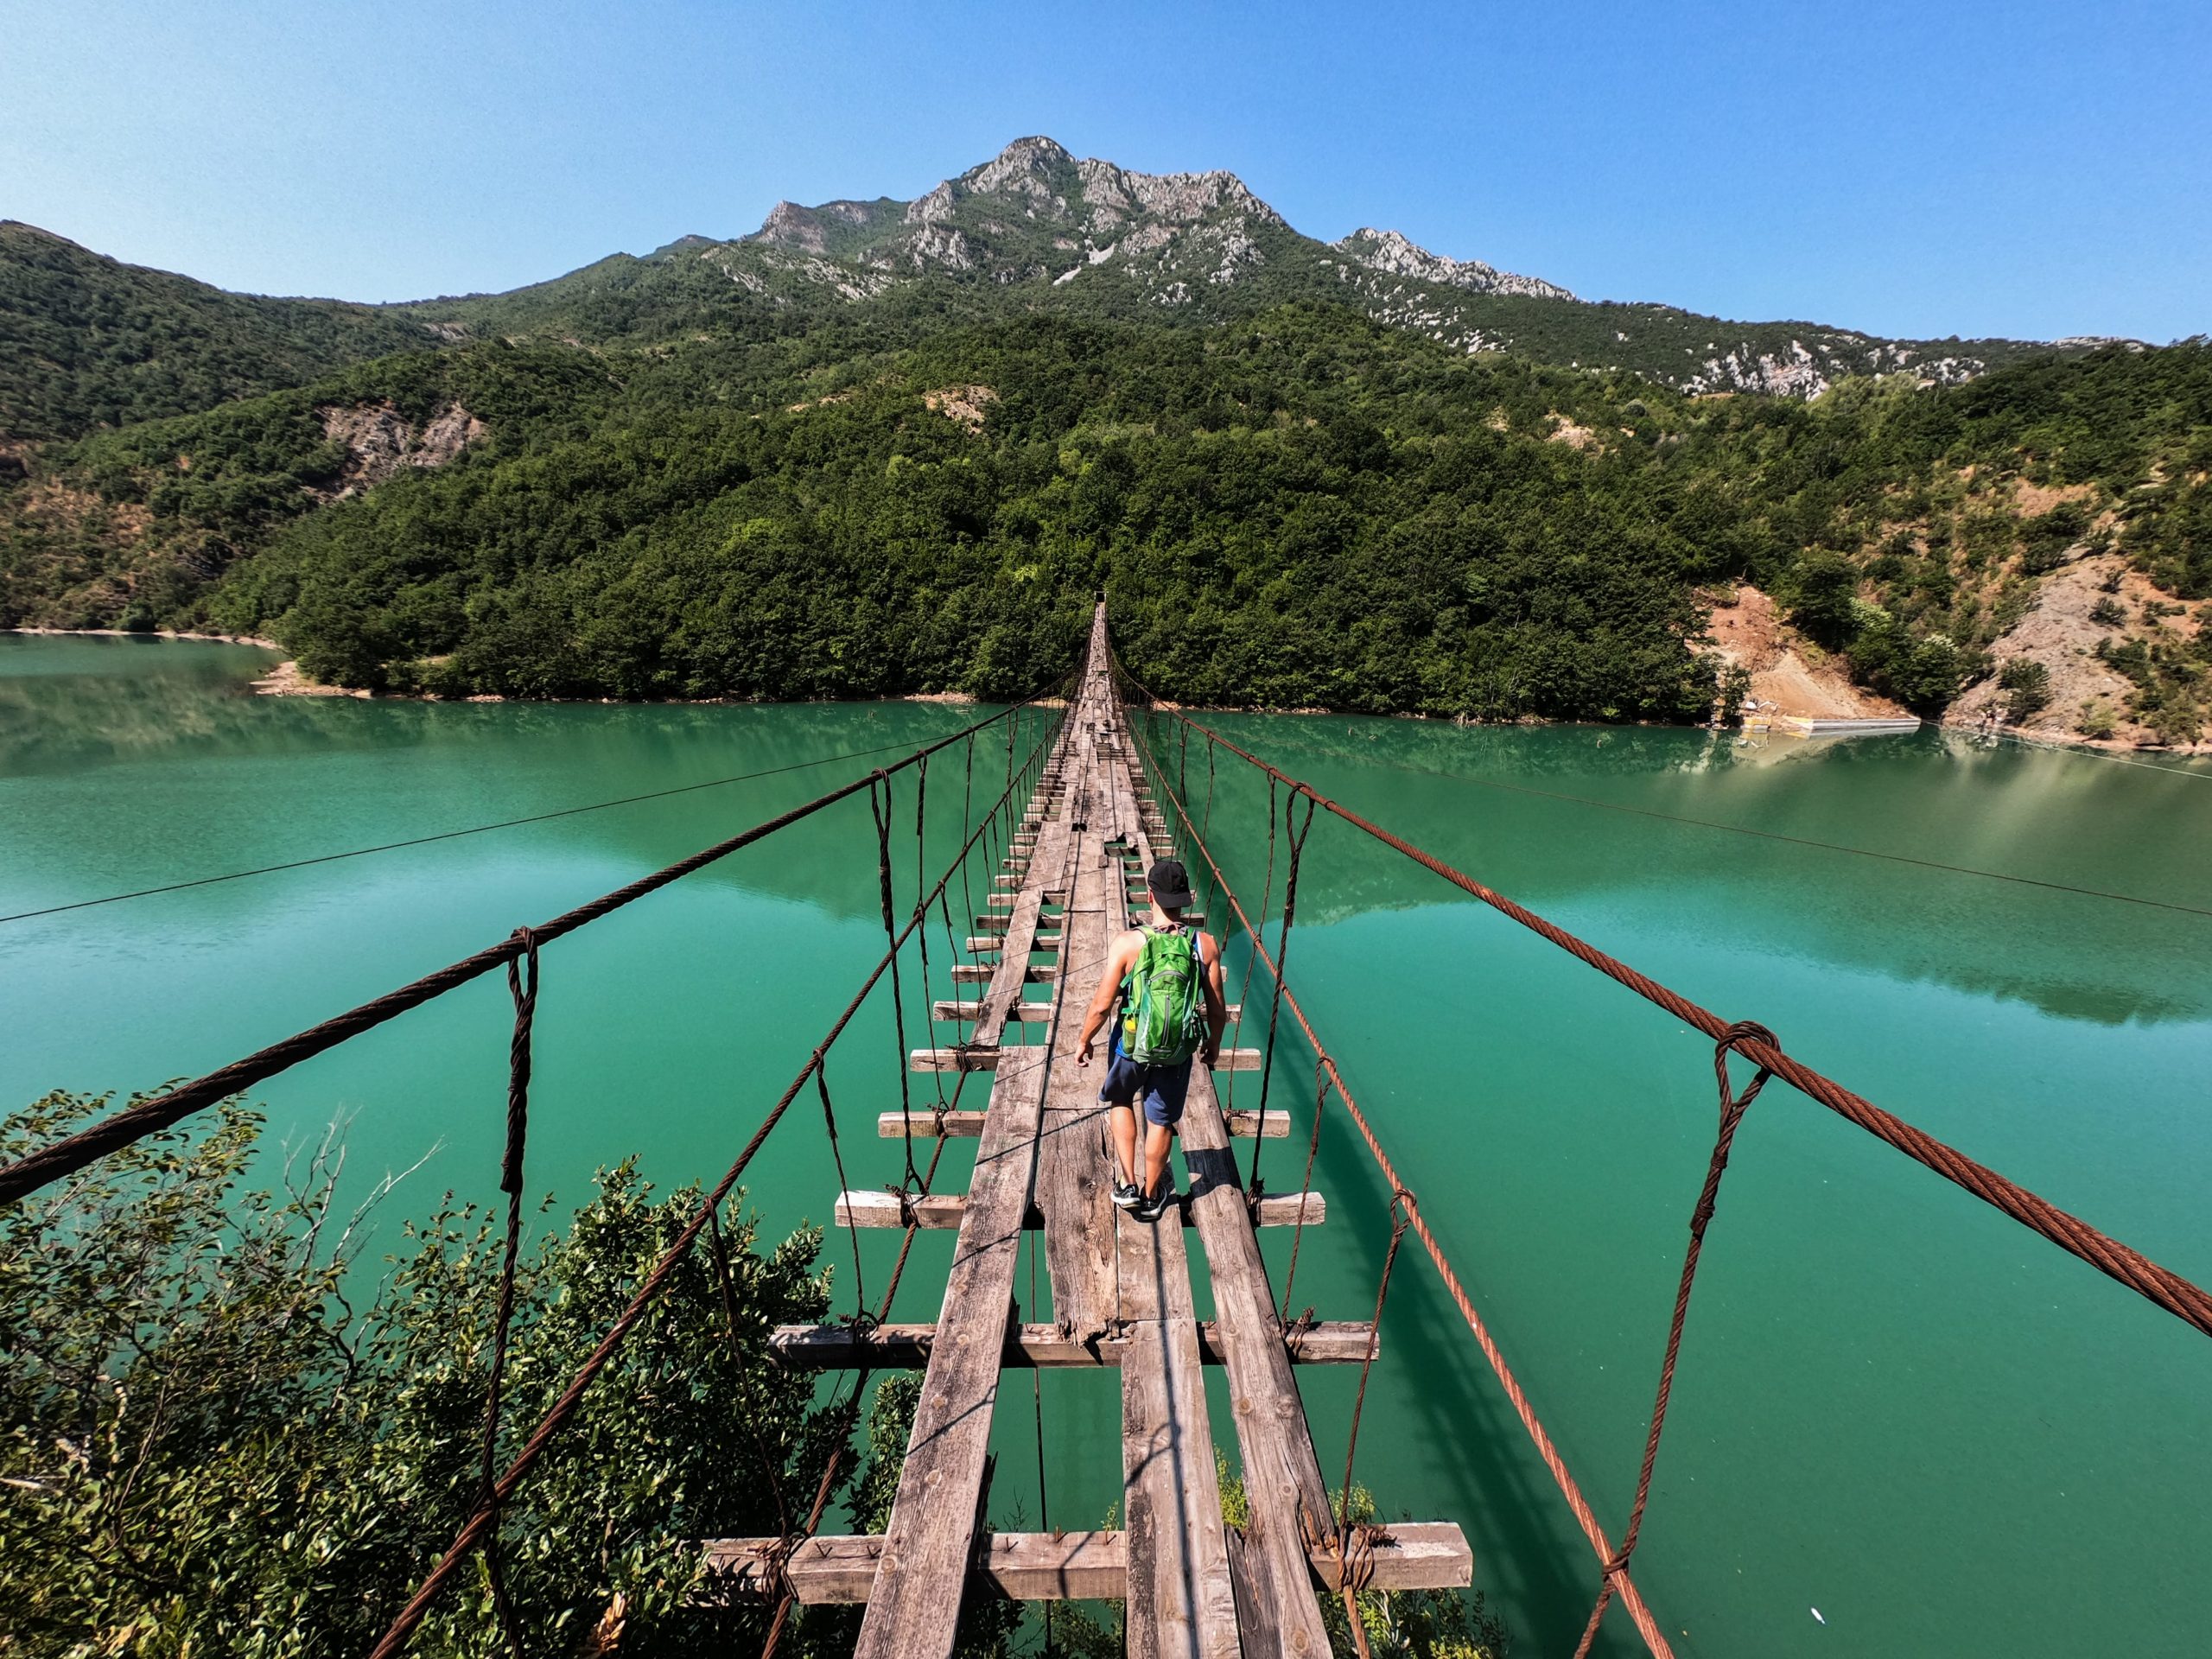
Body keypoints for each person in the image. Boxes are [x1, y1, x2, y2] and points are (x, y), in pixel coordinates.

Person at [1075, 856, 1227, 1223]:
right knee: (1160, 1121)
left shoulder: (1129, 942)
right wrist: (1214, 1044)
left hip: (1130, 1045)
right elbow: (1217, 1009)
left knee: (1122, 1098)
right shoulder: (1204, 945)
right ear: (1185, 900)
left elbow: (1102, 1004)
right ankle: (1151, 1194)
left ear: (1150, 896)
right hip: (1177, 1051)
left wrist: (1085, 1040)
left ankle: (1127, 1185)